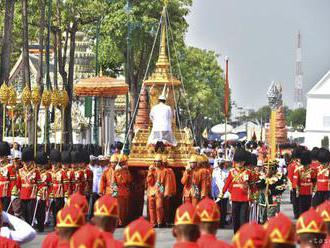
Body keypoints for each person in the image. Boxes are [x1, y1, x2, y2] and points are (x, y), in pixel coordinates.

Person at [221, 148, 252, 233]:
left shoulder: (248, 172)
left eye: (241, 161)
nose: (239, 163)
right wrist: (222, 193)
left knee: (243, 219)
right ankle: (236, 235)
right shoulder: (232, 172)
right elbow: (227, 184)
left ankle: (243, 235)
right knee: (235, 219)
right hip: (235, 198)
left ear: (244, 162)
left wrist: (253, 196)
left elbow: (252, 185)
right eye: (238, 161)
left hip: (244, 198)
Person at [18, 147, 41, 225]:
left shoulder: (36, 171)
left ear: (31, 161)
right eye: (25, 162)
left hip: (32, 194)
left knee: (30, 211)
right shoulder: (20, 171)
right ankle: (26, 224)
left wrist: (39, 193)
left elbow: (39, 183)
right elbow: (18, 183)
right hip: (23, 194)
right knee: (24, 211)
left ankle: (30, 224)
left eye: (27, 161)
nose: (26, 163)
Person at [49, 149, 69, 226]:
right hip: (51, 195)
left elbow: (66, 184)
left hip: (59, 194)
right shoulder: (49, 172)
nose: (54, 165)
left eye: (56, 163)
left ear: (59, 163)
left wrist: (66, 194)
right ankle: (54, 223)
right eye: (53, 163)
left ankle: (57, 223)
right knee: (52, 210)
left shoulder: (62, 172)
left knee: (58, 210)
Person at [147, 154, 166, 228]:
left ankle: (159, 221)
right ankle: (153, 222)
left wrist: (165, 192)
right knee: (151, 208)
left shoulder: (164, 171)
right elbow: (149, 181)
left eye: (159, 161)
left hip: (160, 190)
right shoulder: (152, 170)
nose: (157, 163)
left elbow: (166, 182)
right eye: (156, 161)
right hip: (151, 190)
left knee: (159, 207)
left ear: (161, 162)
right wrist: (150, 172)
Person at [295, 150, 316, 215]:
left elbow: (314, 180)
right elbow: (296, 182)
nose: (307, 166)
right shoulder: (299, 170)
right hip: (301, 191)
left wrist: (314, 190)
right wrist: (297, 191)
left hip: (309, 191)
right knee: (302, 208)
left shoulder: (312, 170)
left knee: (309, 208)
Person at [35, 151, 52, 232]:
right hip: (34, 193)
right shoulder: (34, 172)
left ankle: (41, 225)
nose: (40, 167)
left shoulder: (47, 174)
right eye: (39, 165)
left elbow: (50, 185)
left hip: (43, 195)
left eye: (41, 165)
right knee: (35, 210)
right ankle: (36, 224)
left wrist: (48, 194)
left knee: (41, 210)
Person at [211, 158, 230, 228]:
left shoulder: (227, 172)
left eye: (222, 164)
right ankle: (218, 222)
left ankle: (222, 222)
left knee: (224, 209)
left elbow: (228, 183)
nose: (221, 165)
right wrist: (212, 193)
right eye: (220, 164)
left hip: (225, 193)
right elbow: (213, 183)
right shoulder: (215, 171)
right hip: (217, 193)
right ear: (218, 164)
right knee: (218, 208)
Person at [0, 142, 11, 210]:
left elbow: (13, 181)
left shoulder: (10, 167)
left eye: (2, 157)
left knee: (5, 211)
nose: (0, 158)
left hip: (6, 192)